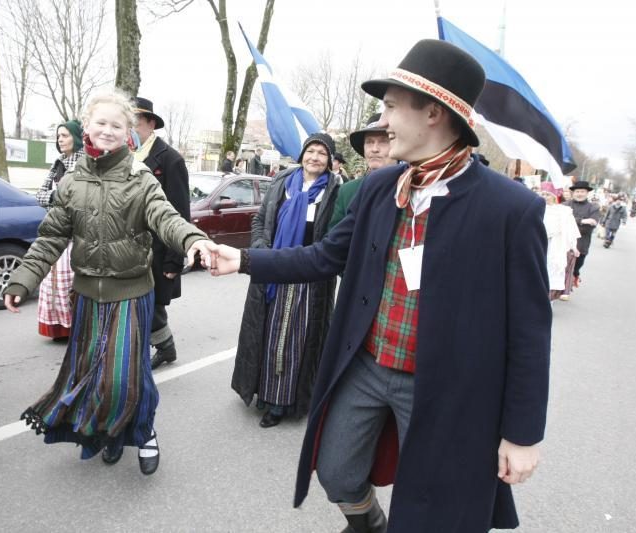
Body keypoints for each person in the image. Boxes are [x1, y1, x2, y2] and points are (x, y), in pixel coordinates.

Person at [205, 40, 550, 532]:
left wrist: (522, 435)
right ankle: (368, 523)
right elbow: (324, 255)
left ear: (432, 112)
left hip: (444, 387)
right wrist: (242, 259)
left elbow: (530, 332)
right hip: (366, 366)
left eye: (390, 107)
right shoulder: (377, 188)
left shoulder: (510, 209)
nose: (381, 122)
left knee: (430, 507)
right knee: (338, 472)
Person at [3, 90, 213, 475]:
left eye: (116, 125)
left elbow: (165, 216)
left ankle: (144, 430)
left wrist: (193, 239)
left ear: (127, 132)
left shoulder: (140, 176)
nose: (107, 130)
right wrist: (22, 280)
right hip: (85, 294)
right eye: (101, 123)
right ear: (87, 125)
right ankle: (110, 432)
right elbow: (51, 237)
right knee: (92, 375)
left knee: (127, 378)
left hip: (131, 293)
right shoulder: (72, 179)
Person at [231, 133, 340, 428]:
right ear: (302, 154)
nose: (315, 157)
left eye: (322, 154)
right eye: (311, 151)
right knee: (264, 333)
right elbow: (260, 220)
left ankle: (280, 402)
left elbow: (334, 236)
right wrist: (260, 249)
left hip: (308, 277)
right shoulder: (282, 182)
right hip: (273, 269)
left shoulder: (333, 191)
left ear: (330, 161)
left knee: (291, 340)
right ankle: (260, 391)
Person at [133, 97, 191, 370]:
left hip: (157, 248)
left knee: (152, 303)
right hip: (129, 247)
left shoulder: (170, 160)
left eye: (134, 121)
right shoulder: (123, 157)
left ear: (150, 123)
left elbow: (179, 213)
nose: (129, 128)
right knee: (139, 302)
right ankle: (162, 347)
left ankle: (163, 347)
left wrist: (173, 260)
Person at [34, 120, 84, 340]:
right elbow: (40, 195)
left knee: (71, 283)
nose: (60, 140)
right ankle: (59, 327)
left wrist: (60, 199)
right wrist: (57, 197)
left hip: (75, 233)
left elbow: (81, 198)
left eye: (64, 135)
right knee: (53, 282)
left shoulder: (85, 163)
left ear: (77, 137)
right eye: (58, 136)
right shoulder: (58, 163)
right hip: (56, 229)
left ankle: (76, 328)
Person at [328, 113, 392, 231]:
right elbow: (333, 242)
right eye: (369, 142)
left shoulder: (412, 189)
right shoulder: (347, 191)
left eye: (383, 141)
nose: (374, 149)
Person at [538, 191, 580, 301]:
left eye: (547, 194)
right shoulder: (535, 208)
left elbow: (571, 230)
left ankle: (548, 299)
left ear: (554, 196)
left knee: (553, 270)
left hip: (556, 246)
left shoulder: (563, 211)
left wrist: (573, 246)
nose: (545, 197)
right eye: (542, 194)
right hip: (539, 243)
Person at [563, 180, 600, 287]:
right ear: (573, 193)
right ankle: (564, 289)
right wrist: (582, 221)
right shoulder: (565, 205)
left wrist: (572, 220)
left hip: (582, 243)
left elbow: (592, 223)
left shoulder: (593, 207)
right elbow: (562, 221)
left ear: (587, 193)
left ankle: (575, 276)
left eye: (582, 191)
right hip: (564, 241)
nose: (579, 194)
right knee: (562, 267)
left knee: (576, 267)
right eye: (577, 191)